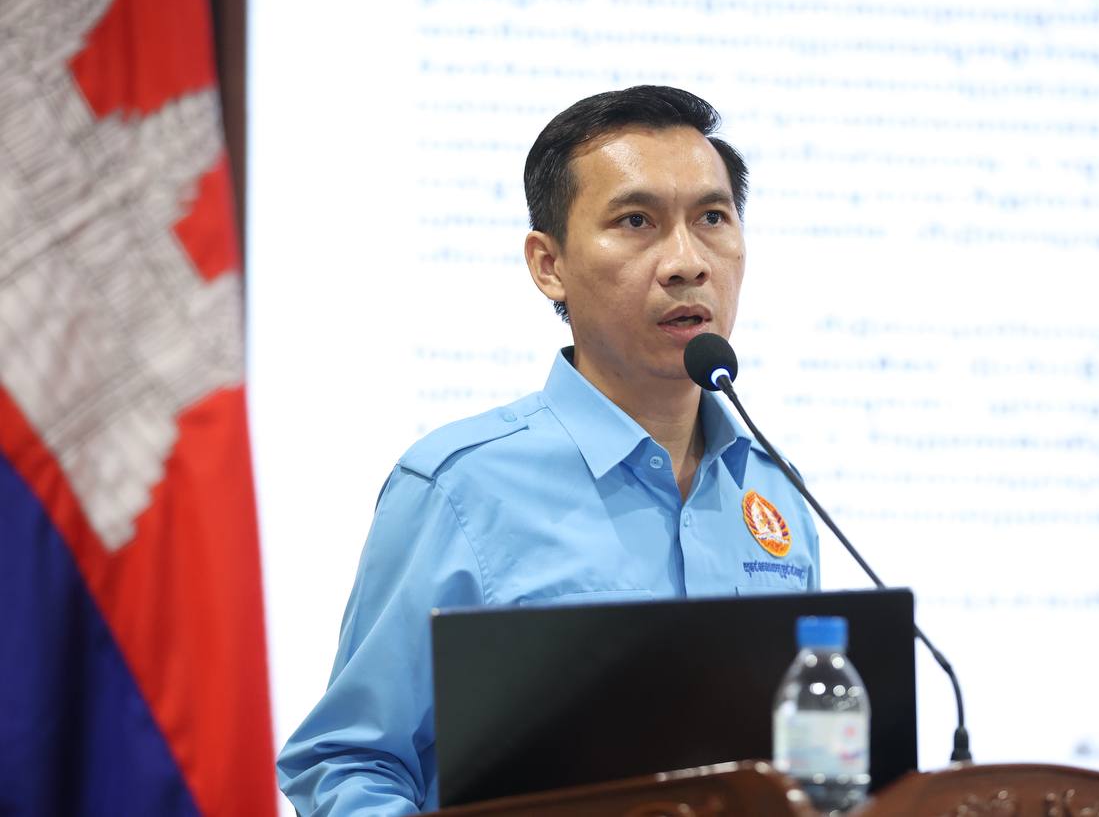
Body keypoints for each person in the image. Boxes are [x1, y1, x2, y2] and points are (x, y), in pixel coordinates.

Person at [276, 85, 822, 815]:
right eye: (637, 221)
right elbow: (347, 760)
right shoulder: (459, 487)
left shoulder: (775, 491)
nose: (687, 262)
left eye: (712, 218)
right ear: (548, 264)